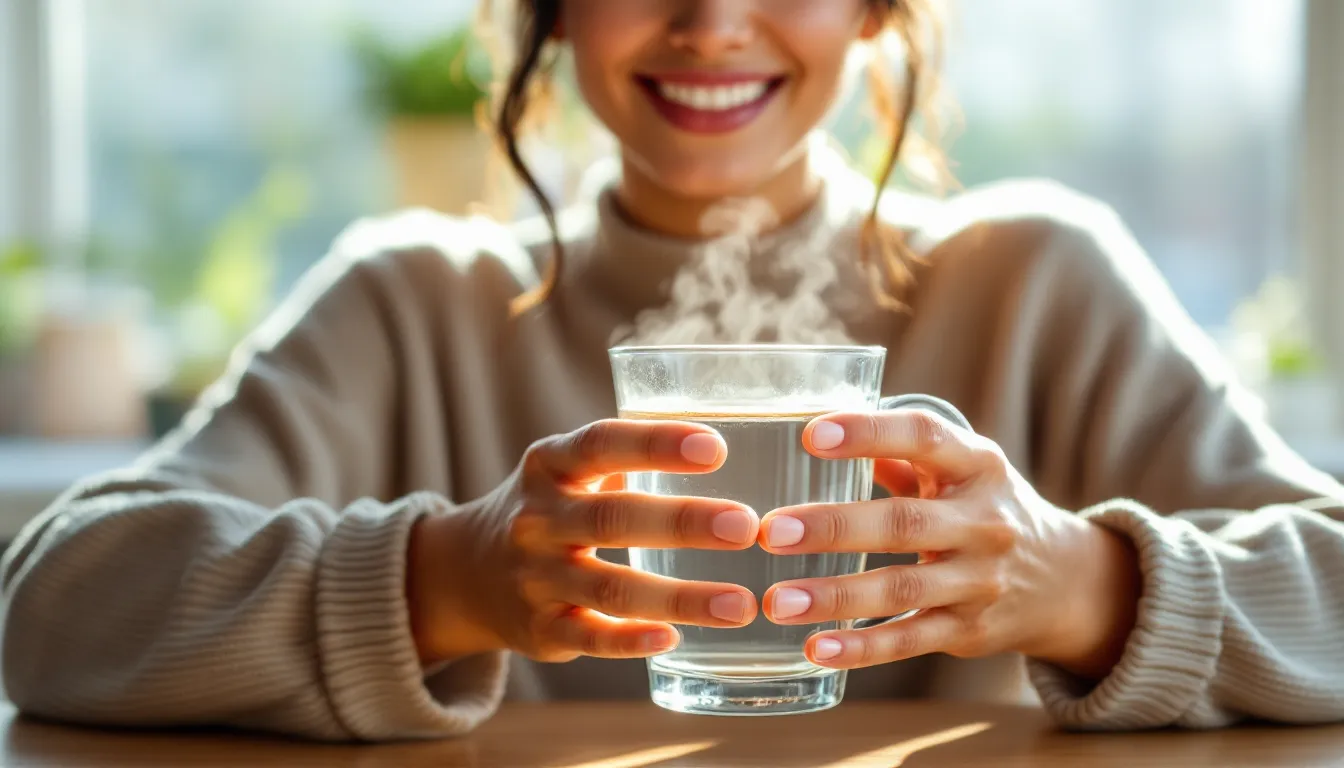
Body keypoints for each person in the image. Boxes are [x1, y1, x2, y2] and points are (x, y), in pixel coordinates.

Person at [4, 0, 1344, 743]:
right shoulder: (410, 300)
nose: (712, 23)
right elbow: (54, 605)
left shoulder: (1041, 280)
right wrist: (447, 581)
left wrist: (1090, 588)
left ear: (878, 11)